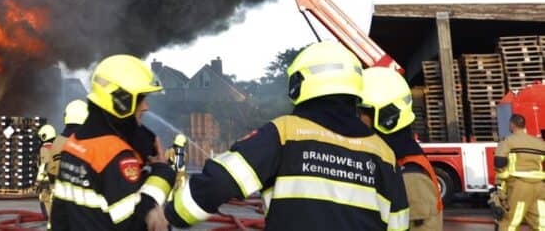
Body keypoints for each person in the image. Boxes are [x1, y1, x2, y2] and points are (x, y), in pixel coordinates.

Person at [164, 42, 409, 230]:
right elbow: (399, 223)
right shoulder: (384, 154)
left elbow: (222, 180)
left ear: (299, 84)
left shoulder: (286, 133)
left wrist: (174, 213)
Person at [50, 55, 175, 231]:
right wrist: (162, 175)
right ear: (122, 101)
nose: (146, 107)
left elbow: (59, 215)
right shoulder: (116, 156)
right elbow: (134, 224)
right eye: (141, 99)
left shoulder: (75, 144)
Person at [358, 66, 442, 229]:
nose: (357, 118)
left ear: (386, 117)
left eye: (362, 112)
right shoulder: (391, 159)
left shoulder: (411, 176)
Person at [493, 113, 545, 229]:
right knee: (540, 222)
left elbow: (499, 162)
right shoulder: (539, 143)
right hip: (540, 188)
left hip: (519, 186)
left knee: (510, 222)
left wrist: (501, 181)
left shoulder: (508, 141)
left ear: (512, 125)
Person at [35, 124, 58, 218]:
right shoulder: (57, 148)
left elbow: (43, 166)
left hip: (46, 182)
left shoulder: (44, 149)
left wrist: (38, 182)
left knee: (46, 203)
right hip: (56, 181)